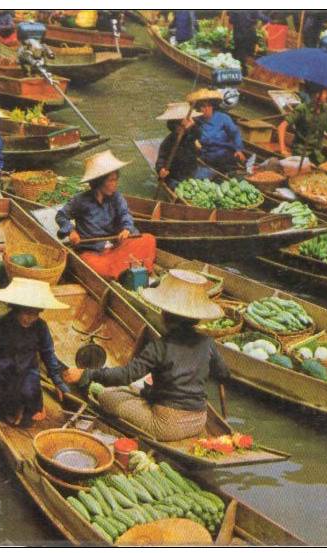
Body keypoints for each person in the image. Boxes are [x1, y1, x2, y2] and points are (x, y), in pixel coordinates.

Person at [63, 270, 230, 442]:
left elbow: (126, 375)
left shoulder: (160, 346)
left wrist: (87, 374)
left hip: (167, 425)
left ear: (165, 315)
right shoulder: (207, 342)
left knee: (107, 396)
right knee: (137, 391)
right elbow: (223, 374)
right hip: (199, 420)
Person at [0, 277, 71, 427]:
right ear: (16, 308)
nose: (30, 318)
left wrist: (57, 380)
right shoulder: (0, 325)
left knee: (29, 397)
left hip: (27, 376)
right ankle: (7, 415)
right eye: (26, 313)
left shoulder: (40, 327)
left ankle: (32, 407)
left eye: (35, 314)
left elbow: (48, 354)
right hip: (3, 377)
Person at [56, 150, 157, 280]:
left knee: (148, 239)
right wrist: (71, 231)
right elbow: (61, 216)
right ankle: (125, 270)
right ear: (99, 182)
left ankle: (124, 269)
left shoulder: (117, 197)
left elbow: (125, 214)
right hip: (93, 252)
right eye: (111, 180)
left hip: (116, 247)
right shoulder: (80, 200)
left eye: (116, 180)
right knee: (97, 266)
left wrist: (126, 228)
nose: (116, 184)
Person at [191, 89, 246, 174]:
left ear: (212, 107)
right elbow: (192, 138)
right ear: (198, 109)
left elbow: (235, 133)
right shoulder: (196, 121)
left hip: (223, 151)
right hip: (206, 154)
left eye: (208, 106)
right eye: (203, 106)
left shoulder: (223, 118)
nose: (206, 109)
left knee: (225, 157)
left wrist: (238, 149)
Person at [155, 102, 204, 186]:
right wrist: (161, 170)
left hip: (191, 172)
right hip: (175, 175)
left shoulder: (191, 135)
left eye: (182, 127)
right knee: (175, 185)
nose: (181, 129)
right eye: (178, 127)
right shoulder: (168, 141)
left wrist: (192, 126)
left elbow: (198, 133)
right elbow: (161, 159)